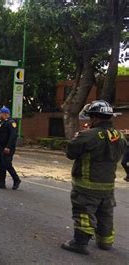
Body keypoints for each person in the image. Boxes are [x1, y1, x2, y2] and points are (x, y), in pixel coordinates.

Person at [61, 100, 126, 255]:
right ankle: (105, 242)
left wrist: (76, 138)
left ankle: (80, 243)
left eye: (91, 117)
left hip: (87, 185)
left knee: (83, 212)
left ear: (95, 118)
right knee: (105, 214)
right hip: (108, 186)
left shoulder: (89, 135)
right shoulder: (120, 136)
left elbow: (71, 153)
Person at [0, 107, 21, 190]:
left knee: (7, 164)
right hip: (1, 147)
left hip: (8, 148)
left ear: (5, 114)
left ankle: (16, 179)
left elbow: (13, 136)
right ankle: (1, 182)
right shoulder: (2, 124)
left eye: (0, 113)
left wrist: (8, 147)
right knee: (0, 165)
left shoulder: (11, 123)